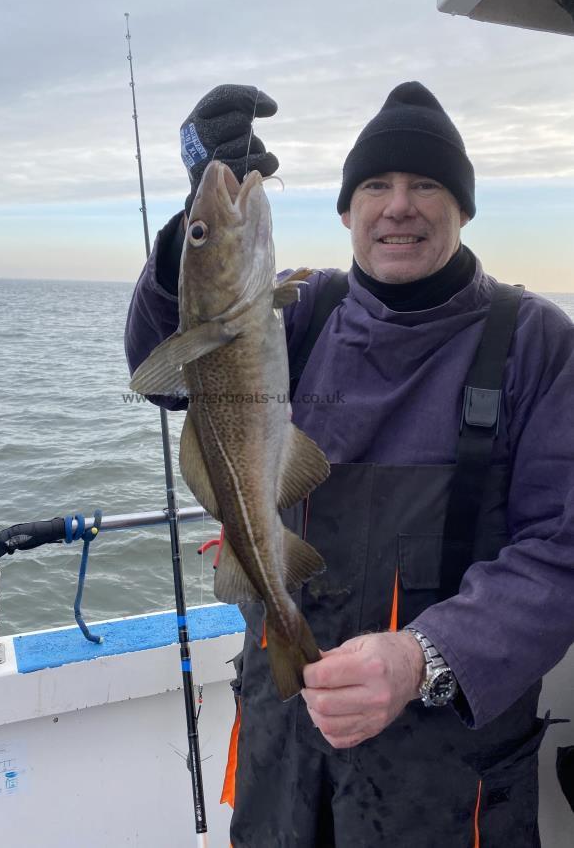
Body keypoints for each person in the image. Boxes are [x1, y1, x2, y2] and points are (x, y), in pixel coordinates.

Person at [125, 82, 574, 847]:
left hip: (447, 766)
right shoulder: (295, 310)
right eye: (375, 185)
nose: (398, 205)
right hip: (282, 743)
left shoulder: (535, 342)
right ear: (345, 211)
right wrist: (190, 233)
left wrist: (423, 658)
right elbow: (163, 357)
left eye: (425, 184)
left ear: (462, 208)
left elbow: (561, 549)